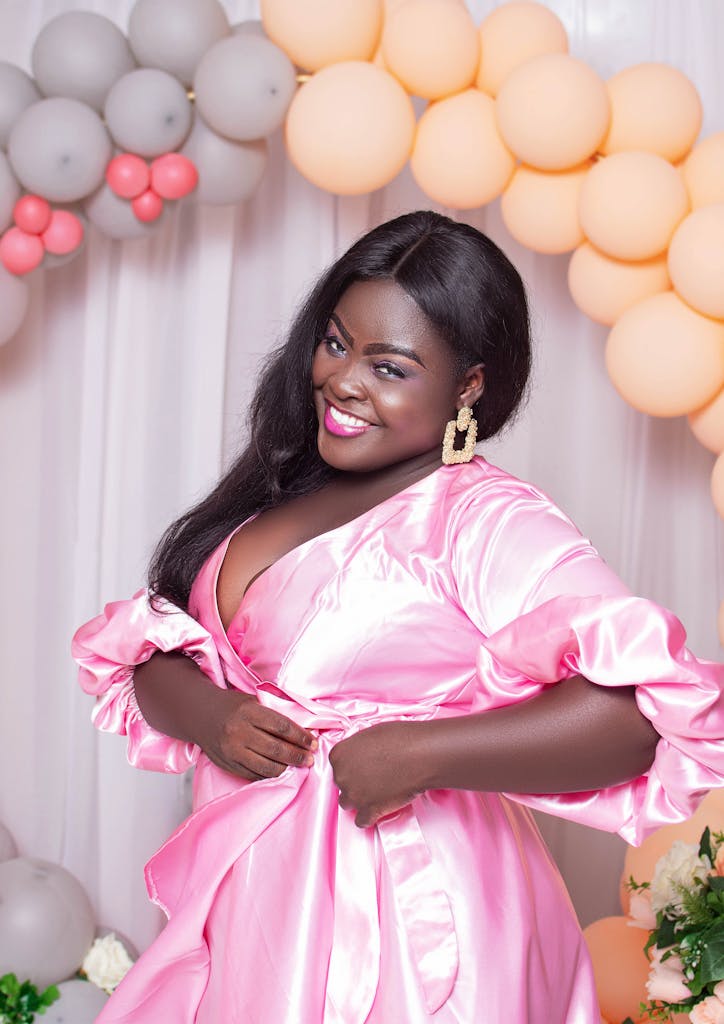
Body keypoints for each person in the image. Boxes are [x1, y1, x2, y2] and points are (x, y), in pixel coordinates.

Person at [73, 210, 724, 1023]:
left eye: (391, 367)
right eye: (337, 344)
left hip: (409, 924)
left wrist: (421, 751)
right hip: (259, 901)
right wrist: (212, 714)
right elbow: (153, 650)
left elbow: (637, 717)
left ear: (468, 386)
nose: (343, 382)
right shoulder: (287, 484)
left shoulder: (485, 521)